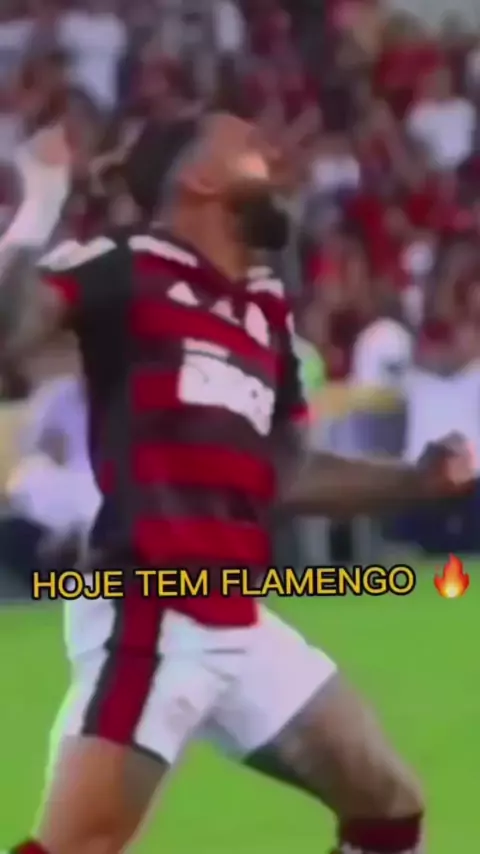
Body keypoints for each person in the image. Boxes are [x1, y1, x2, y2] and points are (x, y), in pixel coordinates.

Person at [0, 117, 474, 854]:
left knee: (388, 809)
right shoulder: (126, 265)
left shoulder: (264, 309)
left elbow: (283, 469)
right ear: (201, 178)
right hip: (151, 606)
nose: (273, 154)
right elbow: (11, 332)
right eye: (249, 144)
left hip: (234, 614)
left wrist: (418, 479)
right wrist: (39, 198)